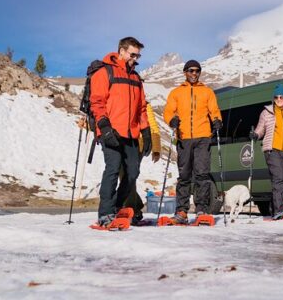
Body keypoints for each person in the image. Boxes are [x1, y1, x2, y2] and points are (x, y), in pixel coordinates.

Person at [90, 37, 151, 227]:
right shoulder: (104, 72)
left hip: (131, 134)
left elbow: (141, 108)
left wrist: (146, 130)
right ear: (121, 51)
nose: (136, 58)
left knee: (133, 173)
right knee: (112, 170)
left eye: (138, 55)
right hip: (111, 132)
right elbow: (97, 102)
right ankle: (105, 213)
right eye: (133, 54)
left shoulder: (136, 78)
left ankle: (116, 206)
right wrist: (104, 127)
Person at [163, 59, 222, 225]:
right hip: (184, 138)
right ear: (185, 72)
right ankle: (181, 211)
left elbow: (214, 110)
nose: (194, 74)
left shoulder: (207, 92)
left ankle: (201, 209)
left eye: (197, 71)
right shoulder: (176, 93)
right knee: (184, 176)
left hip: (203, 137)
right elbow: (168, 111)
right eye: (191, 71)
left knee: (202, 174)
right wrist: (171, 120)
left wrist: (217, 120)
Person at [250, 83, 283, 220]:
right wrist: (255, 134)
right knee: (279, 179)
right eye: (276, 97)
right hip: (273, 150)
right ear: (273, 98)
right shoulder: (266, 112)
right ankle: (280, 210)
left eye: (282, 97)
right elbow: (260, 129)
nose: (279, 99)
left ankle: (274, 208)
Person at [122, 102, 162, 225]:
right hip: (120, 142)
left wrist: (156, 148)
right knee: (124, 177)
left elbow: (153, 127)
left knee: (128, 176)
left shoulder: (145, 104)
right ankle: (136, 207)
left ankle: (130, 210)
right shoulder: (118, 98)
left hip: (137, 144)